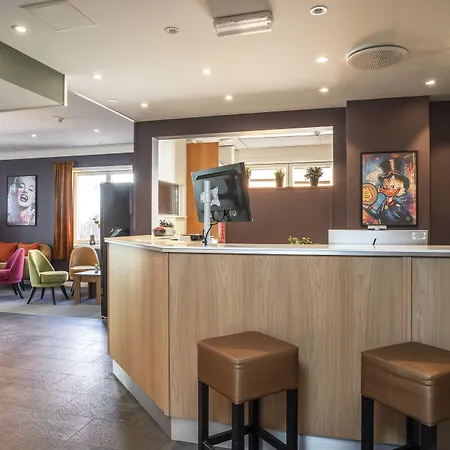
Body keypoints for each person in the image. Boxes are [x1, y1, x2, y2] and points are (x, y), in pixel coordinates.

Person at [363, 158, 414, 226]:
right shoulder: (384, 204)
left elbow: (409, 220)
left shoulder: (398, 207)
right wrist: (367, 208)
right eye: (386, 186)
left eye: (392, 186)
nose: (388, 189)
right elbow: (378, 216)